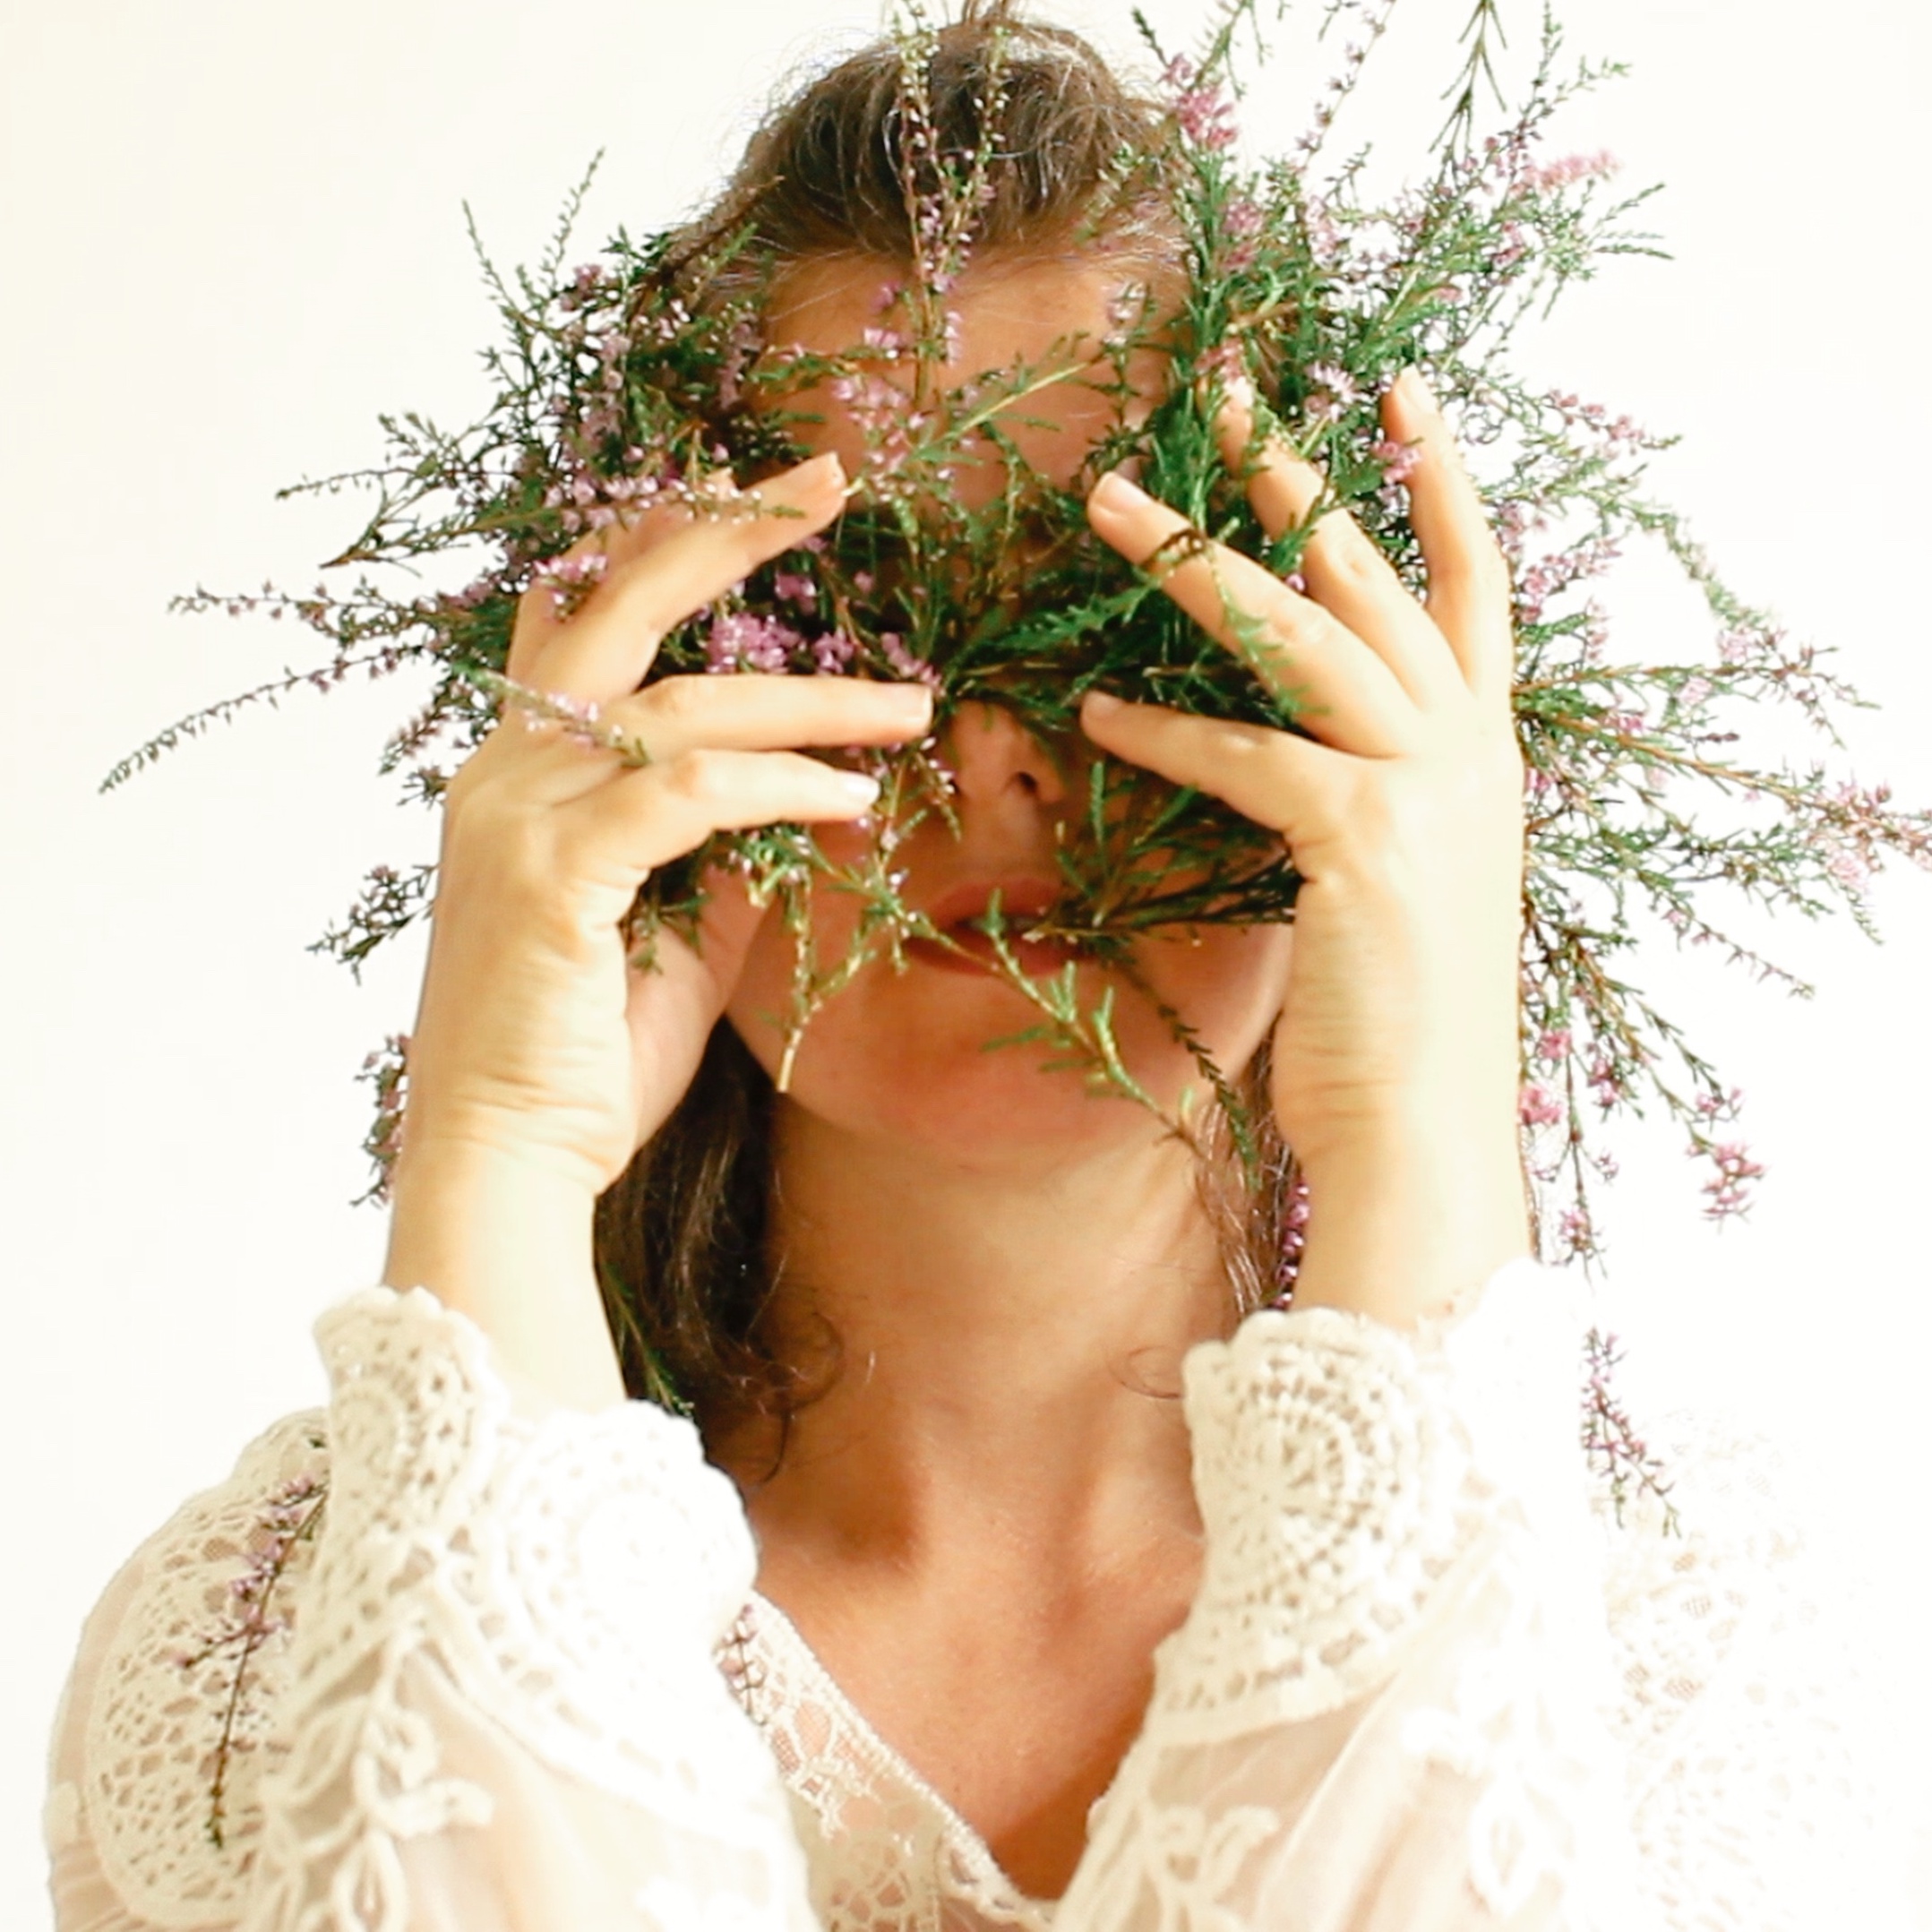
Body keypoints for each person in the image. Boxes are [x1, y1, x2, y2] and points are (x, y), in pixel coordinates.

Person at [43, 8, 1902, 1928]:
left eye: (1118, 621)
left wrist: (1416, 1130)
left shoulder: (1674, 1650)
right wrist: (495, 1154)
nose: (995, 758)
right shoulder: (267, 1658)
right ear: (634, 715)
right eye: (857, 626)